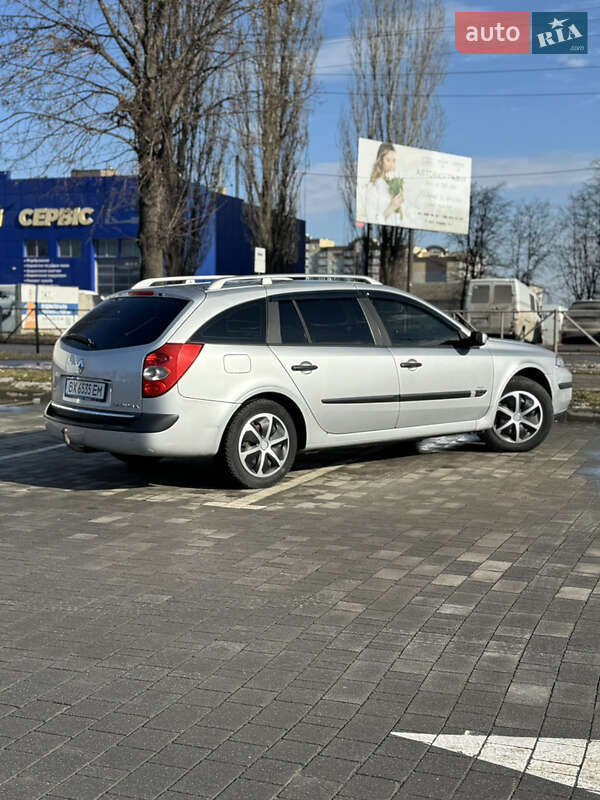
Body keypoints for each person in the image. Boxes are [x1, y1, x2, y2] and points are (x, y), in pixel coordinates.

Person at [362, 143, 404, 226]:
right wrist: (391, 207)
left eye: (394, 161)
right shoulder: (373, 187)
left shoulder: (396, 185)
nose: (392, 165)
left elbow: (400, 219)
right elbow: (371, 220)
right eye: (388, 160)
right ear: (380, 161)